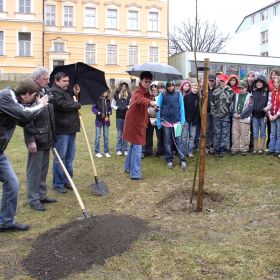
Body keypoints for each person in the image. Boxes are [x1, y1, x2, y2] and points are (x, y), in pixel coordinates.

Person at [0, 79, 48, 232]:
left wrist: (37, 106)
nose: (34, 99)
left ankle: (5, 222)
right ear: (26, 94)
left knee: (12, 183)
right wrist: (40, 105)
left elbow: (23, 118)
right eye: (34, 96)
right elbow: (23, 113)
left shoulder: (14, 102)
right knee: (11, 182)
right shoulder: (7, 96)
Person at [23, 67, 57, 211]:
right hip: (36, 138)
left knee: (43, 169)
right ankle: (33, 198)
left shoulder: (44, 91)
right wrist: (30, 140)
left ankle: (42, 194)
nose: (48, 81)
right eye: (46, 79)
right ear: (37, 79)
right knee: (34, 170)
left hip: (46, 137)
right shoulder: (30, 93)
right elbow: (27, 119)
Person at [123, 71, 157, 180]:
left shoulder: (147, 92)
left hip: (139, 122)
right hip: (134, 123)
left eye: (149, 82)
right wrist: (150, 102)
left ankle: (128, 167)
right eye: (145, 81)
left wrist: (153, 108)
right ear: (140, 81)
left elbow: (145, 108)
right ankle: (135, 174)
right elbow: (139, 99)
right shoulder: (138, 91)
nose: (147, 83)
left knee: (134, 146)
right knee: (137, 147)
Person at [51, 72, 81, 193]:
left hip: (71, 129)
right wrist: (76, 104)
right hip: (61, 130)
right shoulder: (53, 92)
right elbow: (62, 105)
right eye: (64, 81)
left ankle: (67, 180)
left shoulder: (66, 93)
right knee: (60, 158)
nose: (67, 83)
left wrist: (75, 94)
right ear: (57, 81)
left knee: (69, 157)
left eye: (68, 81)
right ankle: (58, 183)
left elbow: (70, 103)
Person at [156, 80, 187, 169]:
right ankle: (169, 160)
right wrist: (159, 122)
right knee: (167, 142)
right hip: (166, 122)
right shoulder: (162, 95)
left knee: (179, 141)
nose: (170, 88)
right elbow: (158, 107)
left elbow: (181, 107)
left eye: (172, 86)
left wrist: (182, 120)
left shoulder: (178, 94)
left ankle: (183, 160)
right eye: (169, 86)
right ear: (166, 87)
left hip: (177, 122)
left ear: (174, 86)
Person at [211, 74, 234, 157]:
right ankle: (216, 149)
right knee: (217, 132)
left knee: (225, 133)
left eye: (223, 81)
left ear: (227, 81)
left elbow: (232, 103)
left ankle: (223, 149)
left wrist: (229, 112)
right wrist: (213, 113)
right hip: (216, 115)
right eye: (220, 81)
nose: (222, 82)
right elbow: (212, 103)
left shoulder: (230, 91)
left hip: (226, 115)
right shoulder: (215, 91)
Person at [231, 80, 254, 156]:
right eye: (239, 88)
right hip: (235, 118)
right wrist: (234, 113)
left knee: (244, 134)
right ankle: (235, 148)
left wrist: (241, 115)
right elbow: (232, 105)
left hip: (244, 118)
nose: (240, 90)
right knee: (235, 134)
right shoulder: (236, 95)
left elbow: (249, 108)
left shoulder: (250, 96)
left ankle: (244, 149)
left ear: (246, 88)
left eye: (242, 88)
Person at [111, 82, 131, 156]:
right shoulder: (116, 94)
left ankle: (125, 149)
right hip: (118, 116)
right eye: (122, 86)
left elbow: (131, 103)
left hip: (126, 116)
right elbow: (112, 104)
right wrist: (117, 108)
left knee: (125, 133)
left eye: (125, 86)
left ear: (127, 87)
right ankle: (119, 149)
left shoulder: (129, 94)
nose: (124, 88)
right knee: (119, 133)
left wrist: (127, 107)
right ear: (120, 87)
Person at [251, 74, 269, 154]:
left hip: (263, 116)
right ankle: (255, 148)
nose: (258, 84)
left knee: (263, 132)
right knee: (255, 132)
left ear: (263, 83)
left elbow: (268, 103)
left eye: (260, 82)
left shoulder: (266, 92)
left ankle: (261, 148)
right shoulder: (253, 91)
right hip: (255, 116)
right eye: (257, 82)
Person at [92, 90, 112, 158]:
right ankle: (97, 152)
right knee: (98, 137)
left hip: (106, 120)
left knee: (106, 137)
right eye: (104, 92)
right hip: (99, 121)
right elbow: (93, 109)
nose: (105, 93)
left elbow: (110, 110)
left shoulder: (108, 101)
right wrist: (99, 113)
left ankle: (106, 151)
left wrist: (108, 113)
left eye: (107, 92)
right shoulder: (97, 100)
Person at [182, 82, 200, 158]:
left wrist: (195, 120)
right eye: (194, 88)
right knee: (184, 136)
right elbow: (183, 108)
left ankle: (190, 151)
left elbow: (198, 111)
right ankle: (184, 151)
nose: (195, 90)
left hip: (194, 121)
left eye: (196, 88)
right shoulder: (186, 97)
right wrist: (184, 118)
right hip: (186, 119)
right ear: (191, 88)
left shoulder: (198, 98)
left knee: (192, 136)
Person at [265, 76, 280, 156]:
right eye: (275, 82)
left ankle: (277, 150)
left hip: (278, 116)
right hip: (272, 116)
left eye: (278, 82)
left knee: (278, 134)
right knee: (272, 133)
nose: (276, 84)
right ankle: (271, 149)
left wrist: (276, 116)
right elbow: (269, 104)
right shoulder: (272, 92)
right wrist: (269, 115)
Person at [206, 74, 216, 153]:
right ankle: (207, 145)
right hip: (206, 112)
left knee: (214, 130)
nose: (211, 82)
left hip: (215, 113)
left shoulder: (217, 89)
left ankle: (212, 146)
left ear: (215, 81)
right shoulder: (204, 89)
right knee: (207, 129)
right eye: (210, 80)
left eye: (212, 81)